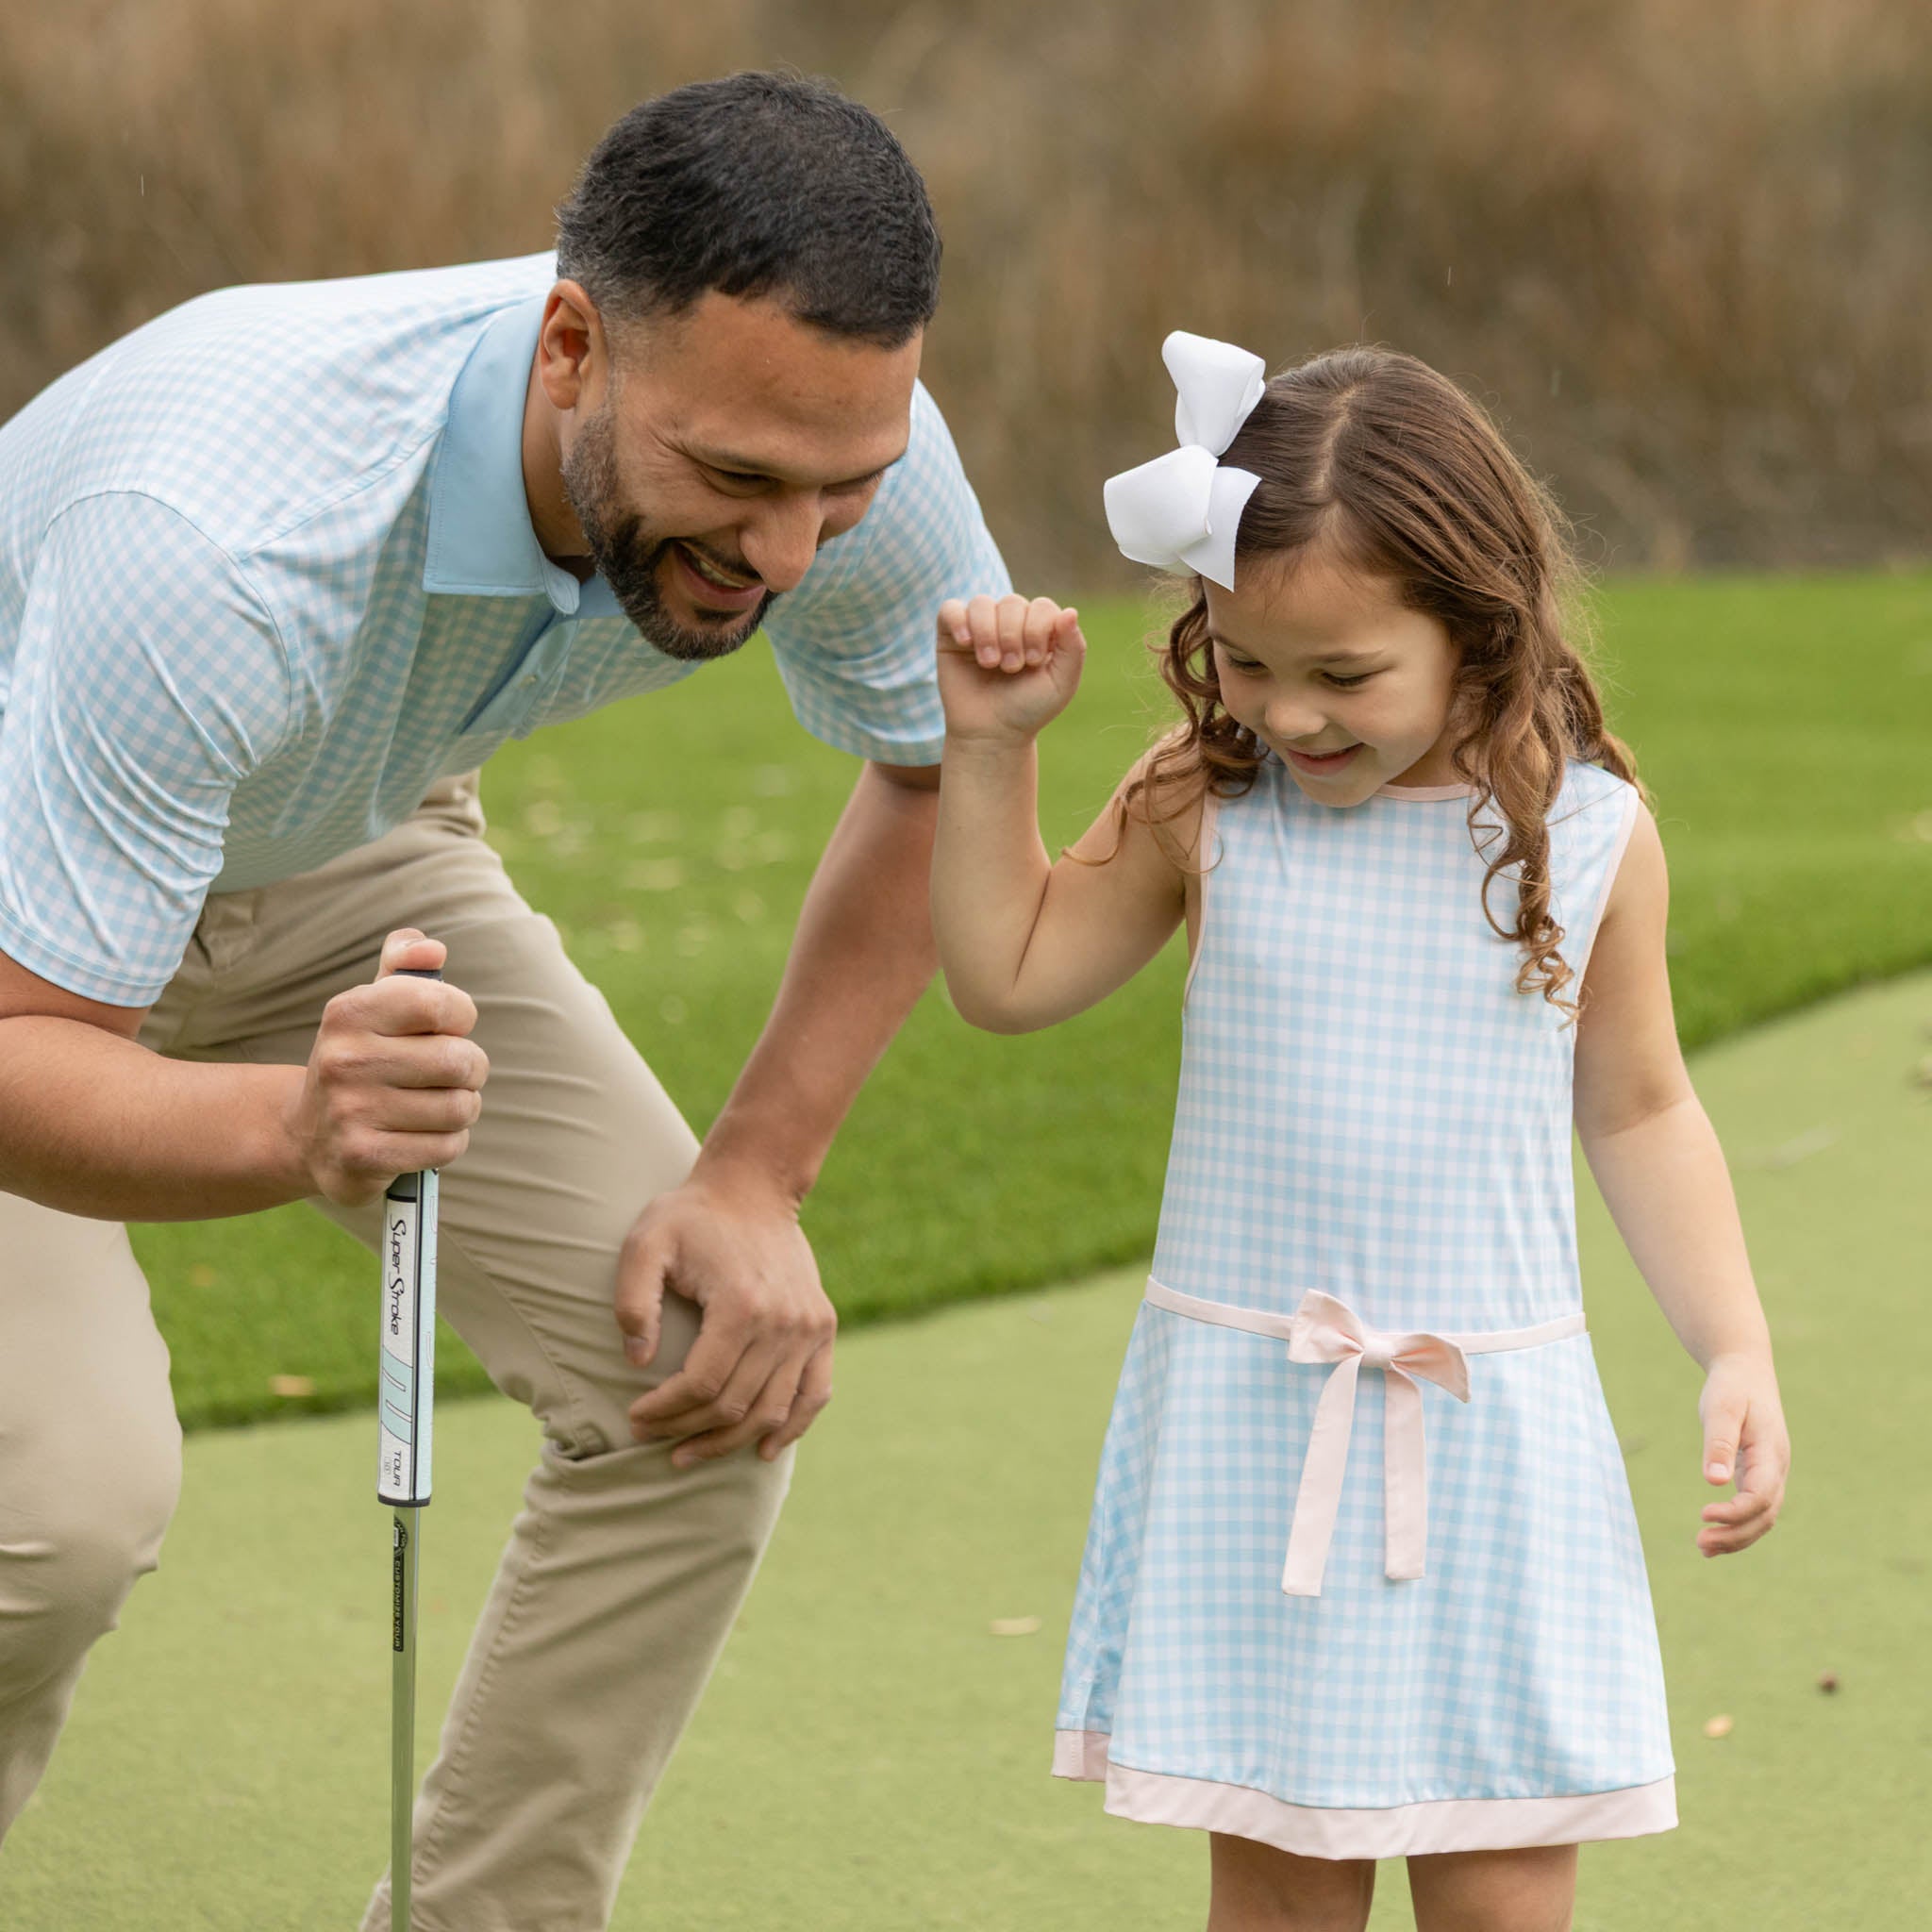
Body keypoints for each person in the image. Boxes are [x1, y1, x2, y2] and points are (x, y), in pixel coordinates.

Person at [0, 72, 1008, 1929]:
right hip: (27, 881)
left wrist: (756, 1171)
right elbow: (27, 1046)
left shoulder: (843, 440)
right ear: (570, 347)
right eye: (737, 484)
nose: (794, 553)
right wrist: (293, 1127)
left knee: (695, 1373)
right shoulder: (219, 539)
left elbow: (939, 766)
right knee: (53, 1509)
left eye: (839, 490)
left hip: (338, 819)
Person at [929, 335, 1790, 1932]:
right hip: (1261, 1430)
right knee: (1278, 1893)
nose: (1290, 714)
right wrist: (992, 749)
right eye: (1248, 661)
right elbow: (1009, 971)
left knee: (1504, 1889)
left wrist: (1733, 1347)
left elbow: (1643, 1103)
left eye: (1345, 676)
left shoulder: (1589, 834)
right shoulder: (1208, 796)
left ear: (1479, 632)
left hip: (1491, 1441)